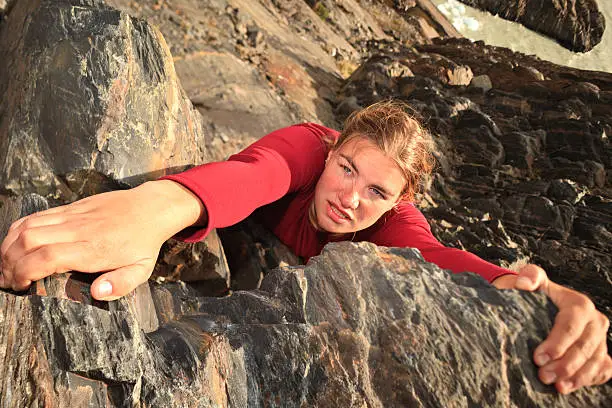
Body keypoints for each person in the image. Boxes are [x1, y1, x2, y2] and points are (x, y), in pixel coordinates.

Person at [0, 100, 609, 394]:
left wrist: (548, 294)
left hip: (279, 289)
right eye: (346, 168)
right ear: (334, 147)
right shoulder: (304, 147)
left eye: (376, 192)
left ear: (398, 200)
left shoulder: (392, 226)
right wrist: (152, 209)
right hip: (227, 224)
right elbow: (253, 175)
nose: (350, 198)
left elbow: (448, 262)